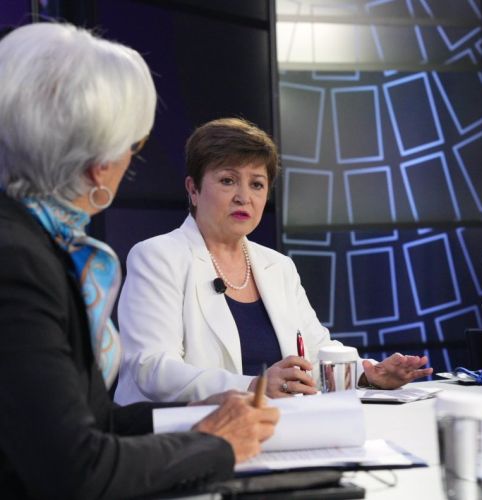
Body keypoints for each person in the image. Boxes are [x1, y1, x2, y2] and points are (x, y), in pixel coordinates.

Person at [0, 23, 278, 498]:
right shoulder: (18, 261)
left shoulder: (36, 243)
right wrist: (215, 441)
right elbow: (78, 468)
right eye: (135, 146)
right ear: (98, 165)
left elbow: (96, 420)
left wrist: (202, 414)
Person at [114, 117, 432, 403]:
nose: (244, 196)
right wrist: (253, 387)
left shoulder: (277, 266)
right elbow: (152, 370)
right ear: (193, 189)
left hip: (272, 428)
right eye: (227, 180)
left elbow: (317, 350)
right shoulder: (157, 257)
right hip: (181, 439)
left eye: (257, 184)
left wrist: (367, 374)